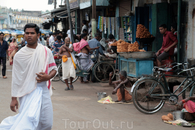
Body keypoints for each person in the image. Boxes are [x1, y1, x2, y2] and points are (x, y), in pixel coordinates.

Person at [0, 23, 57, 129]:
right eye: (27, 33)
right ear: (24, 35)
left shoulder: (45, 51)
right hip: (27, 92)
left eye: (32, 33)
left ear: (38, 35)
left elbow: (53, 69)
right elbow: (16, 79)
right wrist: (14, 99)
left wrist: (48, 77)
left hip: (43, 89)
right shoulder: (19, 56)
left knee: (46, 123)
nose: (29, 35)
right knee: (29, 121)